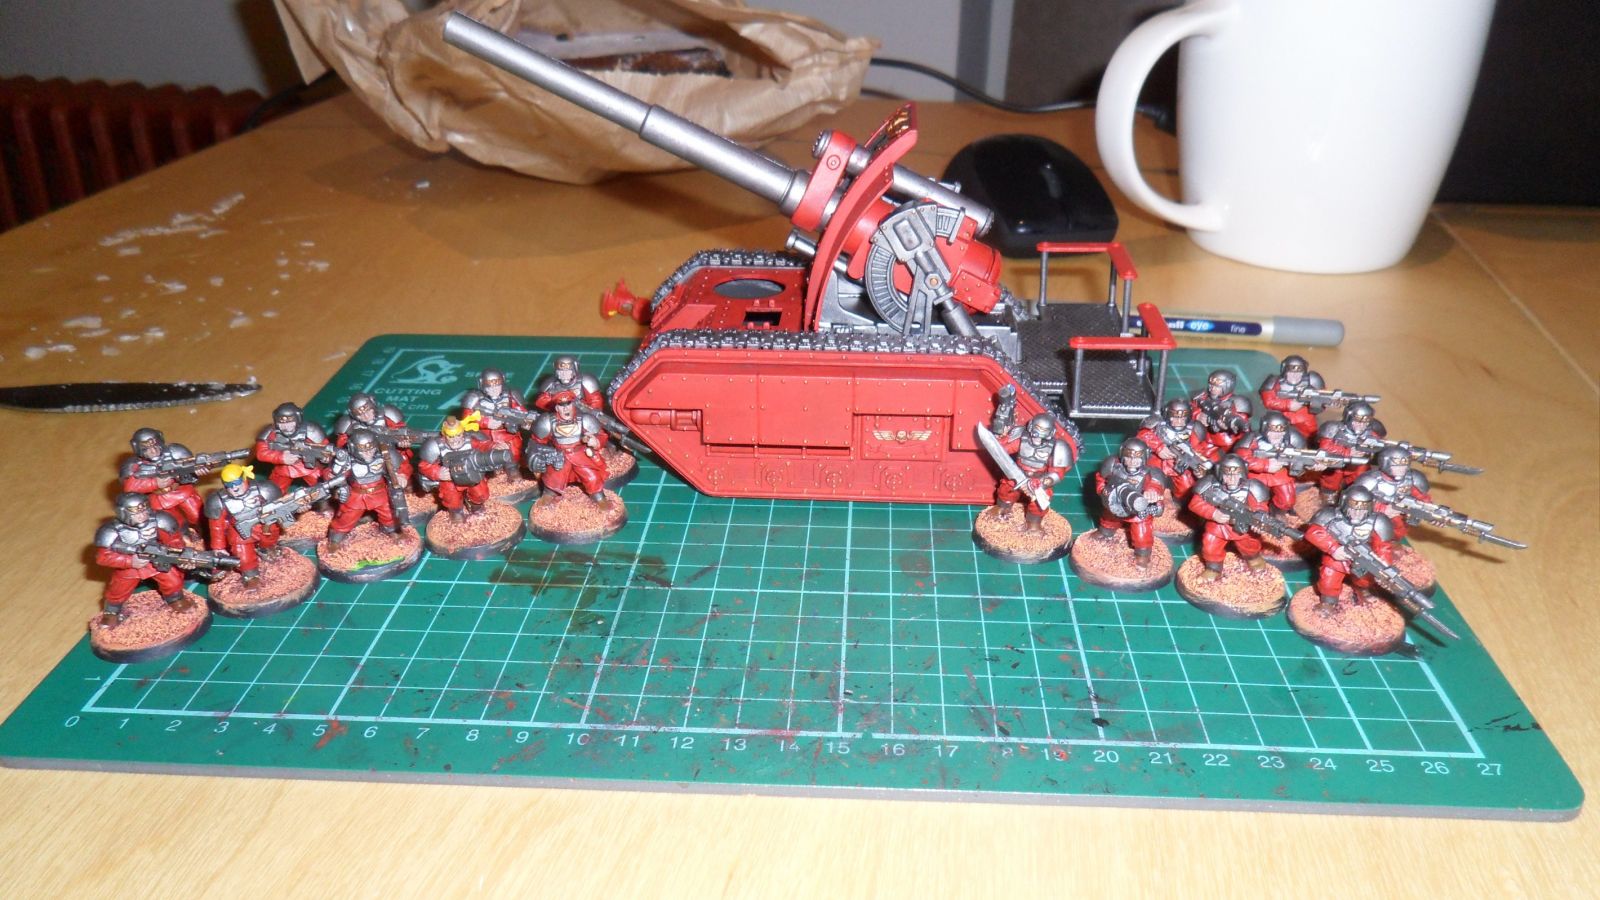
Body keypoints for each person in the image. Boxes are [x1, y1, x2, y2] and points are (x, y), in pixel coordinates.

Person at [93, 492, 193, 624]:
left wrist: (180, 556)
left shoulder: (159, 520)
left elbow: (174, 540)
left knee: (173, 581)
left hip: (156, 562)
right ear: (122, 512)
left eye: (144, 510)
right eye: (136, 513)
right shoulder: (111, 531)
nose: (142, 515)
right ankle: (111, 612)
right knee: (117, 591)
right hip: (128, 569)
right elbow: (103, 557)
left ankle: (176, 600)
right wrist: (130, 561)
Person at [1302, 488, 1396, 605]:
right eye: (1353, 509)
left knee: (1365, 581)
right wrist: (1334, 548)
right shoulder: (1331, 516)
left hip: (1363, 560)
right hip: (1337, 559)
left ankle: (1363, 591)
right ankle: (1328, 602)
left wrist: (1384, 566)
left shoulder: (1377, 522)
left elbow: (1383, 547)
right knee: (1328, 581)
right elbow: (1314, 532)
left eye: (1362, 510)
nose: (1357, 514)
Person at [1187, 455, 1273, 581]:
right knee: (1210, 546)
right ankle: (1213, 568)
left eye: (1236, 475)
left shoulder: (1252, 487)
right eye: (1227, 475)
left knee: (1250, 545)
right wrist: (1213, 513)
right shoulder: (1210, 486)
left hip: (1243, 526)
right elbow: (1195, 504)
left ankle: (1253, 559)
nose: (1232, 479)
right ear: (1220, 474)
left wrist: (1259, 519)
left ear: (1242, 474)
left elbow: (1260, 506)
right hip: (1218, 526)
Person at [1092, 438, 1171, 569]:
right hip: (1115, 504)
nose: (1132, 461)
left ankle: (1143, 554)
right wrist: (1104, 491)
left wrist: (1151, 493)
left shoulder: (1150, 473)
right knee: (1108, 519)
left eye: (1137, 458)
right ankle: (1105, 532)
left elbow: (1155, 486)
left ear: (1144, 457)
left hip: (1137, 511)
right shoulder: (1112, 466)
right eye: (1128, 457)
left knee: (1142, 533)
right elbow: (1101, 479)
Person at [992, 413, 1072, 533]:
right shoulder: (1022, 440)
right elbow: (1004, 450)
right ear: (1031, 427)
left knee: (1039, 504)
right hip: (1017, 475)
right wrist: (999, 437)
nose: (1037, 439)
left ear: (1050, 433)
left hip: (1038, 481)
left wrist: (1044, 482)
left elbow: (1057, 472)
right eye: (1036, 433)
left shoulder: (1056, 448)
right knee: (1006, 490)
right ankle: (1002, 509)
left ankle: (1033, 524)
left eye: (1043, 435)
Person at [1134, 397, 1216, 500]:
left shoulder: (1194, 429)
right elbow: (1143, 435)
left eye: (1182, 418)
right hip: (1157, 463)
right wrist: (1158, 447)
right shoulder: (1158, 424)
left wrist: (1199, 471)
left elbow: (1198, 450)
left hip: (1181, 467)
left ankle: (1178, 505)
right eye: (1175, 417)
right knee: (1151, 483)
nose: (1179, 421)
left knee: (1186, 489)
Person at [253, 401, 333, 493]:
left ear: (298, 419)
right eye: (282, 423)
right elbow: (261, 453)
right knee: (274, 492)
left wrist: (326, 457)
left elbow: (325, 447)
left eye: (290, 422)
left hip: (308, 468)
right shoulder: (270, 432)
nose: (286, 427)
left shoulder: (311, 430)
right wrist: (281, 457)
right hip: (282, 469)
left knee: (325, 487)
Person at [1190, 369, 1253, 451]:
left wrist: (1228, 427)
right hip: (1206, 439)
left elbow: (1242, 425)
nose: (1212, 389)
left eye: (1217, 387)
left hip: (1229, 442)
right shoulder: (1202, 397)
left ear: (1227, 386)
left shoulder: (1238, 402)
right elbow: (1188, 410)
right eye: (1211, 385)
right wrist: (1197, 415)